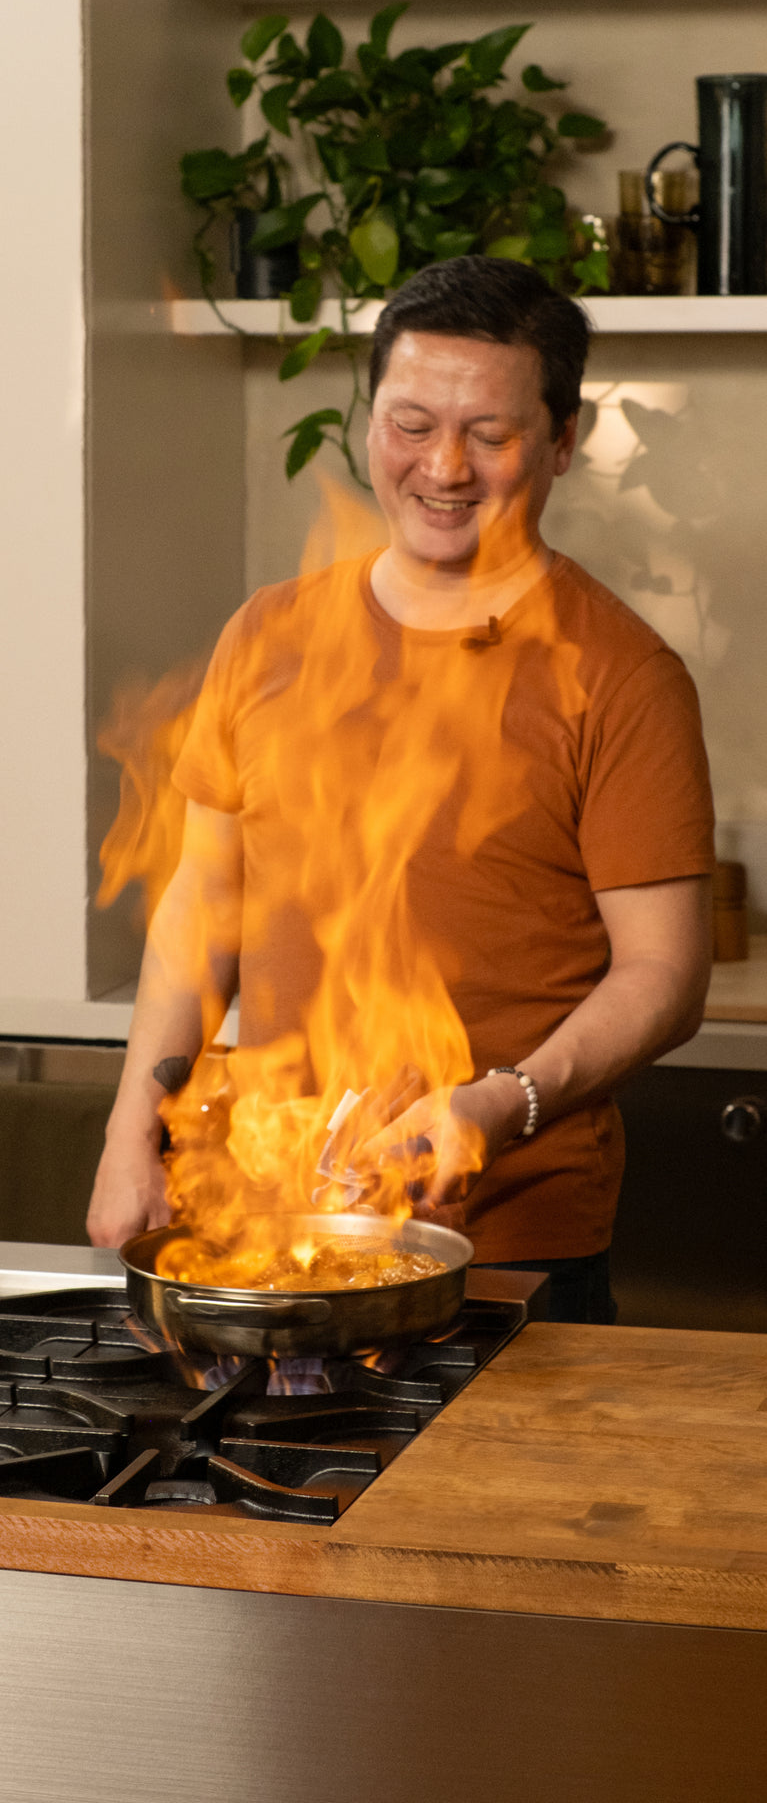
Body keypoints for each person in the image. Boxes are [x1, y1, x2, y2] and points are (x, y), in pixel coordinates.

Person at [87, 258, 714, 1320]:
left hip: (505, 1252)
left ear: (562, 441)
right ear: (367, 418)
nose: (444, 467)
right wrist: (127, 1130)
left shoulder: (620, 674)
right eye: (410, 422)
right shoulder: (268, 630)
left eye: (490, 432)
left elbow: (664, 974)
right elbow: (201, 903)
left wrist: (495, 1102)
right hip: (271, 1221)